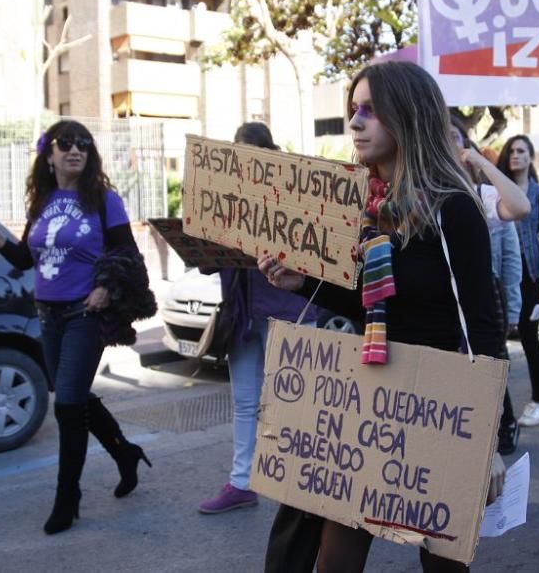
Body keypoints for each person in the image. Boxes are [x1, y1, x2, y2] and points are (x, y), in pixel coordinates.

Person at [260, 61, 506, 573]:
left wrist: (488, 437)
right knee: (334, 563)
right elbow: (374, 304)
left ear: (408, 117)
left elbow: (481, 322)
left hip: (440, 407)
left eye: (370, 111)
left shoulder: (453, 208)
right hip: (371, 402)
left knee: (442, 566)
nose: (355, 123)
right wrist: (302, 281)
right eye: (354, 110)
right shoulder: (369, 210)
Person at [0, 120, 156, 535]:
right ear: (49, 154)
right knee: (75, 398)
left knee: (67, 405)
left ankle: (67, 497)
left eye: (84, 145)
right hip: (47, 315)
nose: (75, 150)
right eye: (66, 143)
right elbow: (24, 259)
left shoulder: (104, 200)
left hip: (83, 315)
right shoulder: (43, 201)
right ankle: (125, 454)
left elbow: (127, 252)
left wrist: (105, 287)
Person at [197, 122, 319, 515]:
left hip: (287, 312)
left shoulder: (293, 197)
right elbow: (207, 266)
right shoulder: (223, 199)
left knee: (296, 401)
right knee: (245, 403)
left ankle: (305, 483)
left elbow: (314, 255)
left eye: (249, 153)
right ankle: (241, 483)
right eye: (236, 152)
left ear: (268, 155)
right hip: (242, 317)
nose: (241, 161)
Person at [450, 117, 528, 454]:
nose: (447, 144)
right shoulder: (415, 193)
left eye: (453, 137)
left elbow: (518, 207)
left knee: (486, 373)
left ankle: (500, 430)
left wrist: (479, 161)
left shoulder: (479, 195)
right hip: (441, 312)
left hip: (478, 304)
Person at [497, 135, 539, 427]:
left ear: (532, 157)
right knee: (498, 340)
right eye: (511, 150)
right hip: (502, 274)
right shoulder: (496, 189)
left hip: (530, 277)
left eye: (522, 151)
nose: (515, 155)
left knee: (529, 338)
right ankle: (499, 407)